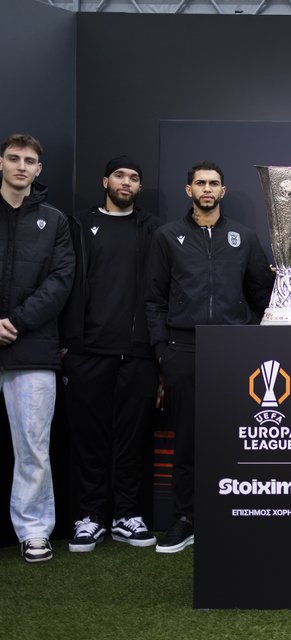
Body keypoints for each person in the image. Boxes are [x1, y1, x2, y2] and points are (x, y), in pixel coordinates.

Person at [145, 161, 273, 553]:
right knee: (187, 439)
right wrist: (162, 350)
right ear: (189, 190)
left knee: (235, 437)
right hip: (183, 350)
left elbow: (262, 293)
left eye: (214, 183)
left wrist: (252, 333)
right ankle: (186, 518)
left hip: (232, 352)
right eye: (200, 183)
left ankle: (229, 513)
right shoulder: (167, 236)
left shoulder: (243, 237)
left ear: (223, 190)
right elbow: (154, 299)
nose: (207, 189)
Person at [60, 156, 161, 552]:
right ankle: (89, 516)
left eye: (134, 178)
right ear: (105, 181)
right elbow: (65, 281)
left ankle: (126, 515)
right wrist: (69, 341)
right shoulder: (78, 225)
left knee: (132, 440)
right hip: (87, 351)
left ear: (139, 187)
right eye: (120, 175)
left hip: (137, 354)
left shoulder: (153, 229)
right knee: (89, 439)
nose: (127, 182)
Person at [0, 133, 75, 563]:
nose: (21, 166)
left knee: (33, 447)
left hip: (33, 347)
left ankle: (33, 532)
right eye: (14, 158)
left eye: (29, 161)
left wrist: (16, 322)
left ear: (39, 169)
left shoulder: (55, 220)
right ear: (2, 163)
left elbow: (61, 281)